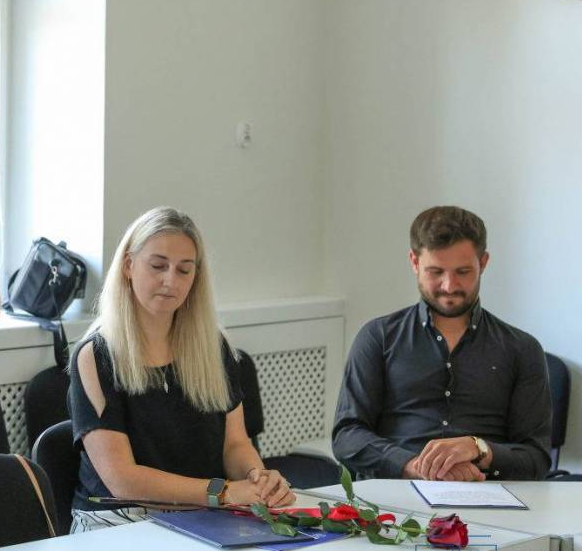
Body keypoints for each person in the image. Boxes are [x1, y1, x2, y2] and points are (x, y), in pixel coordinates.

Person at [68, 207, 294, 532]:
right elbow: (122, 479)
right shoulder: (96, 355)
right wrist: (224, 492)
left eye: (184, 270)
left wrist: (257, 479)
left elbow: (235, 444)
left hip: (205, 512)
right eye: (158, 266)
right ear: (129, 265)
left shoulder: (213, 347)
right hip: (118, 521)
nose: (170, 281)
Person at [332, 206, 551, 482]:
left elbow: (536, 458)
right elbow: (347, 436)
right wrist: (412, 465)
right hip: (397, 491)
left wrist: (479, 449)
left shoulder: (522, 349)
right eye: (435, 272)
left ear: (483, 262)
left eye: (463, 271)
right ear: (414, 262)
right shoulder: (378, 337)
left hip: (490, 493)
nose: (449, 286)